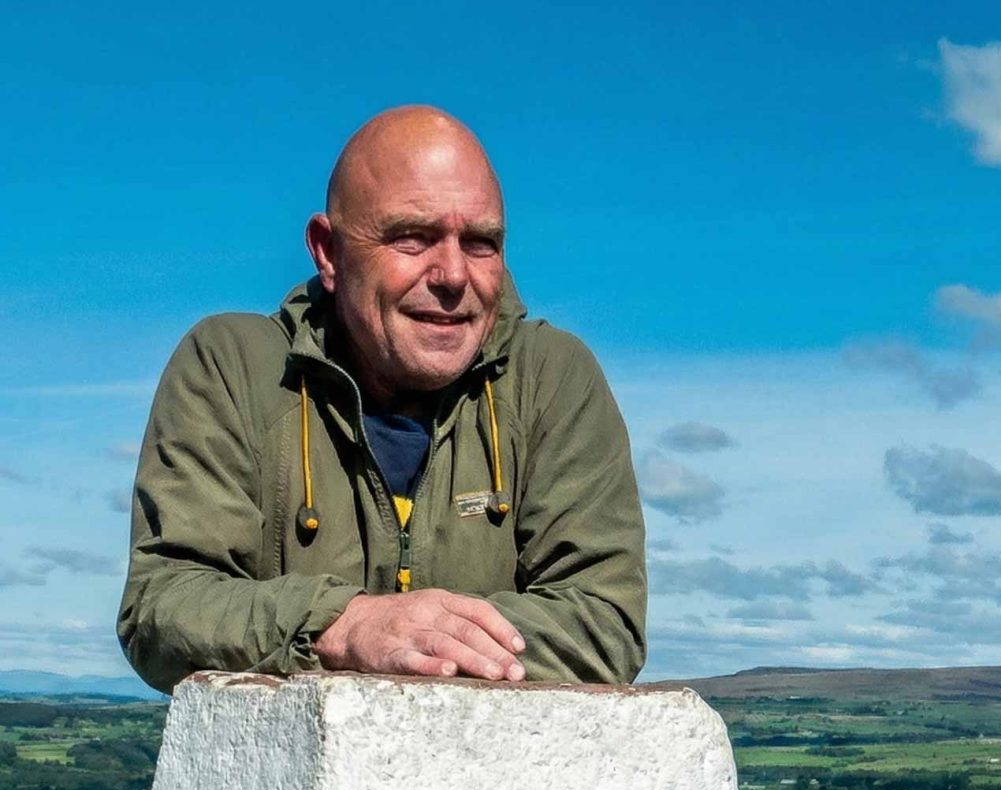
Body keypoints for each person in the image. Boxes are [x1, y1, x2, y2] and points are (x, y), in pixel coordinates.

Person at [117, 106, 646, 694]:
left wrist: (421, 640)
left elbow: (605, 624)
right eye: (412, 237)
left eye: (481, 243)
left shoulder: (553, 379)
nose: (451, 274)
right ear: (328, 251)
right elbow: (163, 607)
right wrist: (345, 626)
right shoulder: (231, 368)